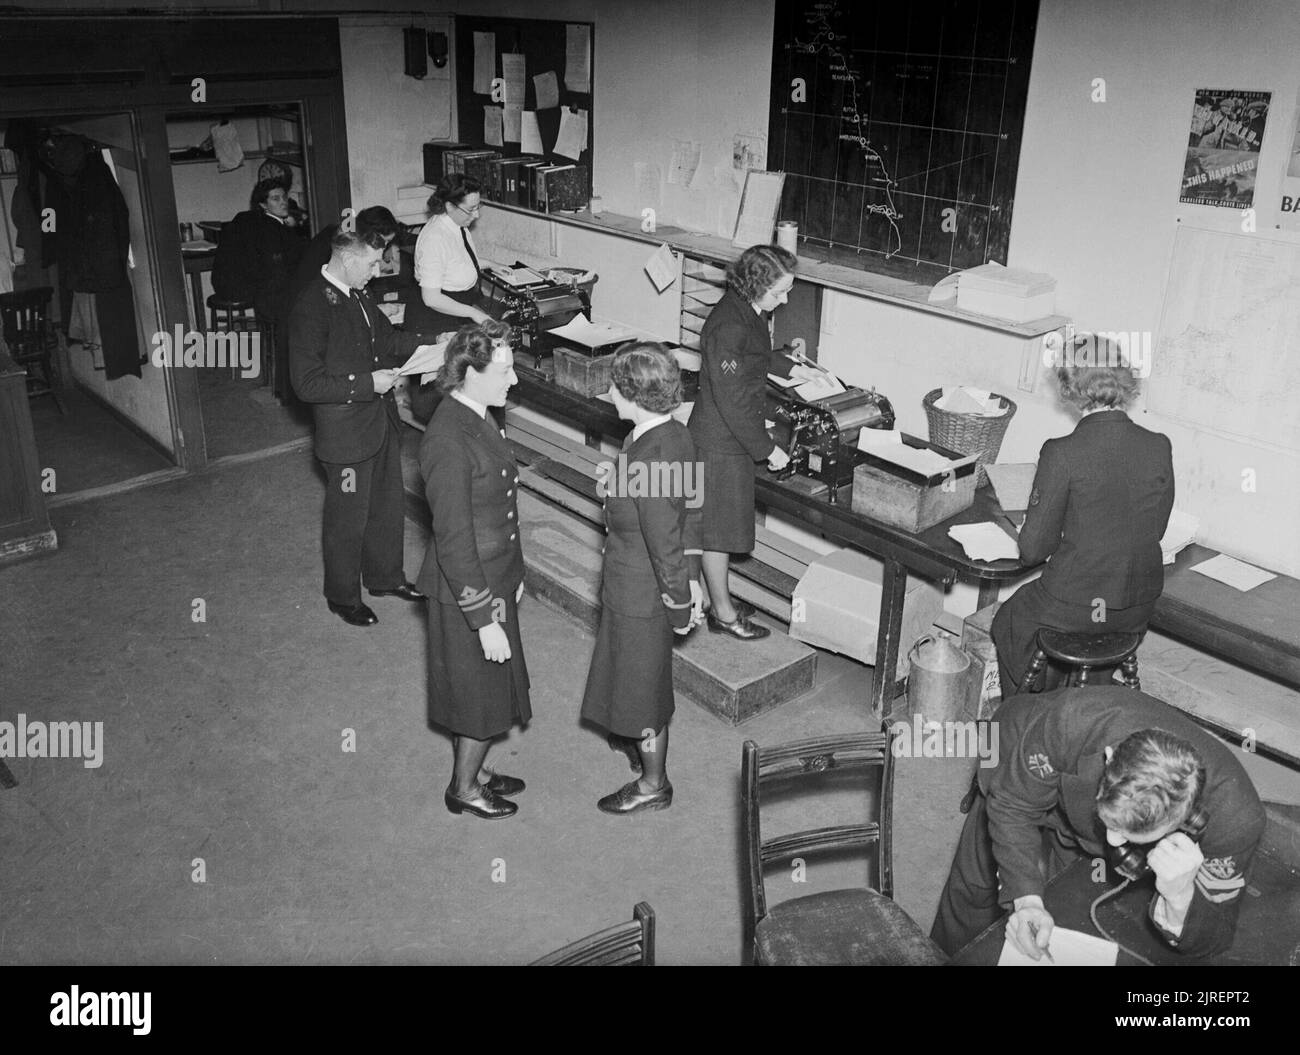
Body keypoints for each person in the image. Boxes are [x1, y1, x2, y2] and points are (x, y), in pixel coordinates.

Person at [930, 686, 1266, 959]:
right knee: (977, 884)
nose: (1115, 844)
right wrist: (1026, 899)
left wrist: (1180, 898)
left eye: (1130, 835)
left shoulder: (1236, 818)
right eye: (1114, 828)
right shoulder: (1073, 720)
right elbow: (1013, 805)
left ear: (1187, 818)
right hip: (1018, 752)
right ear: (1109, 758)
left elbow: (1216, 935)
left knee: (1061, 904)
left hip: (1080, 808)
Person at [992, 335, 1174, 696]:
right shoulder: (1158, 446)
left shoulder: (1062, 452)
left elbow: (1032, 551)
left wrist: (1041, 527)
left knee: (1010, 620)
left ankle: (1027, 720)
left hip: (1078, 607)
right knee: (1085, 630)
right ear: (1124, 379)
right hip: (1135, 610)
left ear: (1070, 388)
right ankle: (1084, 702)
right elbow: (1157, 527)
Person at [581, 343, 705, 815]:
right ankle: (633, 737)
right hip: (633, 582)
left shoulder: (651, 454)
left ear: (634, 395)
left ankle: (654, 785)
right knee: (629, 676)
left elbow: (664, 543)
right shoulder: (668, 434)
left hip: (642, 589)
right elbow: (689, 510)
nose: (610, 392)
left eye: (616, 386)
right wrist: (615, 481)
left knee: (644, 691)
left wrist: (680, 603)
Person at [289, 228, 431, 627]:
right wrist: (369, 383)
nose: (379, 269)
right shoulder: (312, 305)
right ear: (349, 261)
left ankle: (385, 578)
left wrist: (440, 341)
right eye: (372, 263)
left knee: (387, 505)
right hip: (346, 434)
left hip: (379, 421)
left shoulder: (359, 295)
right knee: (347, 518)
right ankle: (342, 595)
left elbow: (389, 340)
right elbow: (307, 383)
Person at [417, 321, 530, 821]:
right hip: (467, 587)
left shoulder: (481, 415)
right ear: (469, 373)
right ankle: (464, 788)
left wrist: (516, 571)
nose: (514, 380)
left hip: (495, 575)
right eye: (504, 371)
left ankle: (478, 771)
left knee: (489, 686)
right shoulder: (447, 439)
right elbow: (454, 538)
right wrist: (483, 619)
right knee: (479, 694)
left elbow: (501, 505)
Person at [687, 244, 819, 640]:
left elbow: (753, 360)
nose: (786, 298)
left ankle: (714, 600)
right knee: (717, 531)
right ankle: (722, 614)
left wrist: (794, 365)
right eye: (779, 291)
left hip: (730, 437)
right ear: (756, 284)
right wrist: (767, 448)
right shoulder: (730, 325)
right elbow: (732, 398)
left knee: (720, 529)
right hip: (719, 442)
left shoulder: (747, 311)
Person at [212, 177, 305, 401]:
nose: (283, 202)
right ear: (263, 205)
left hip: (259, 288)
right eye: (276, 199)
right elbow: (282, 267)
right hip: (268, 294)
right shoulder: (270, 230)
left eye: (284, 197)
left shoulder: (263, 223)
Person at [288, 205, 399, 309]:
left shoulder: (345, 234)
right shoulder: (342, 243)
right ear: (373, 234)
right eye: (385, 241)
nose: (384, 247)